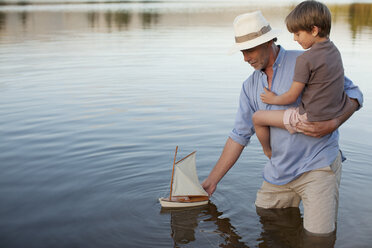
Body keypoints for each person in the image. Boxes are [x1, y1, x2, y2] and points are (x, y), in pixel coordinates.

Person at [202, 8, 363, 236]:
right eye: (242, 52)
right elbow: (239, 135)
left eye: (250, 51)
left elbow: (355, 93)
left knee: (319, 239)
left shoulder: (307, 61)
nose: (245, 58)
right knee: (268, 223)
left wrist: (334, 122)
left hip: (317, 166)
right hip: (278, 172)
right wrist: (211, 181)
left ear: (268, 42)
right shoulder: (249, 87)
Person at [252, 0, 354, 159]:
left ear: (314, 30)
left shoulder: (305, 59)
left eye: (297, 33)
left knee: (257, 117)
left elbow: (291, 96)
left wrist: (273, 99)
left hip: (309, 119)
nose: (294, 38)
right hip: (333, 113)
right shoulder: (335, 51)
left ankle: (269, 153)